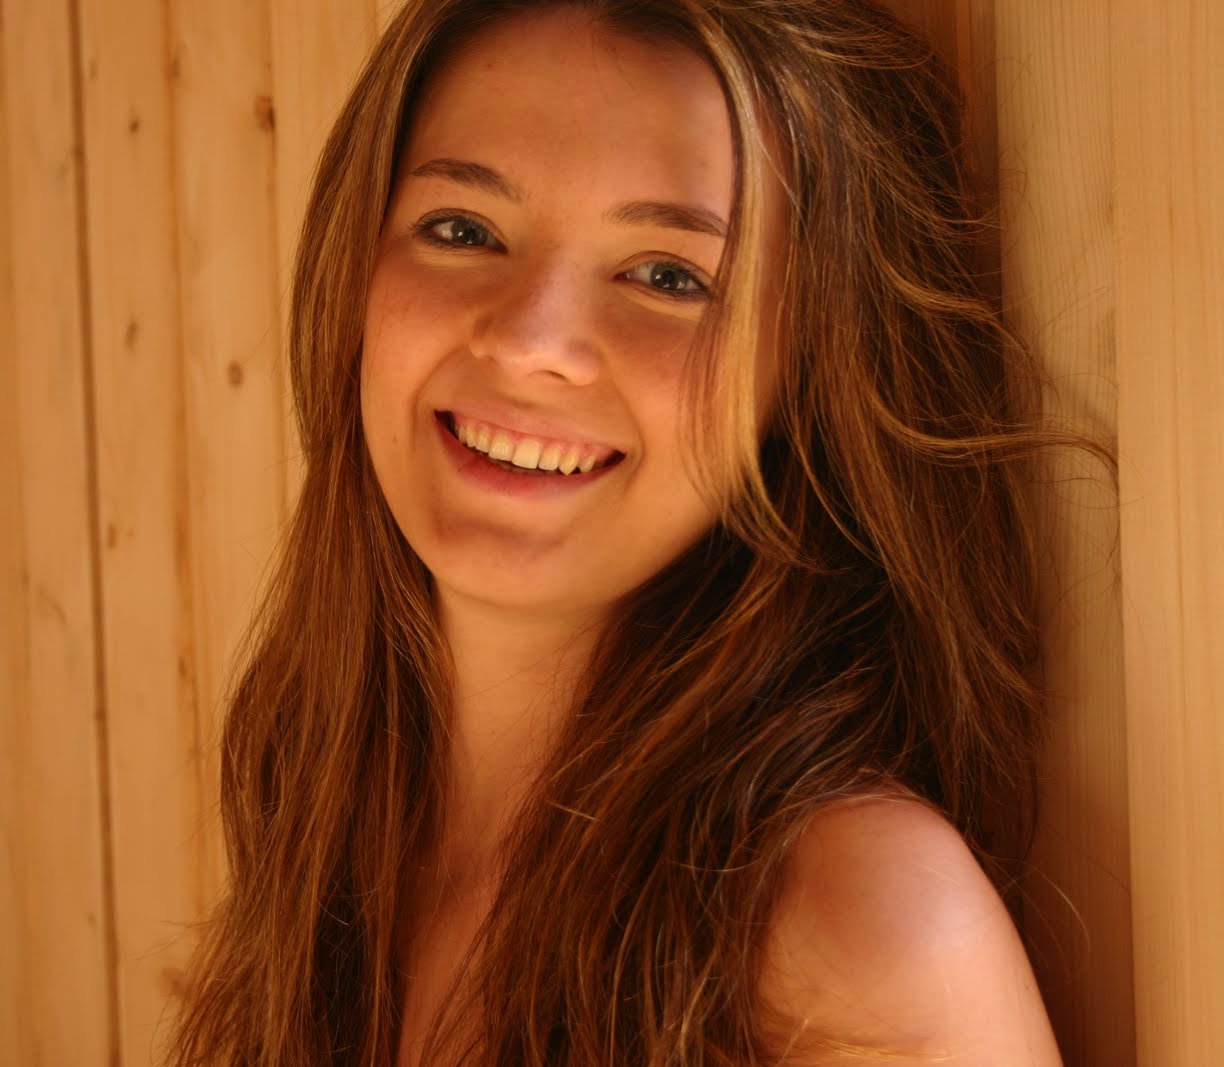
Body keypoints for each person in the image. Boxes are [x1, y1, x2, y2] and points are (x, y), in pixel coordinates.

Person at [174, 1, 1073, 1063]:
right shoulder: (330, 824)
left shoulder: (857, 922)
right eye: (463, 228)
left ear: (812, 370)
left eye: (669, 275)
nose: (531, 340)